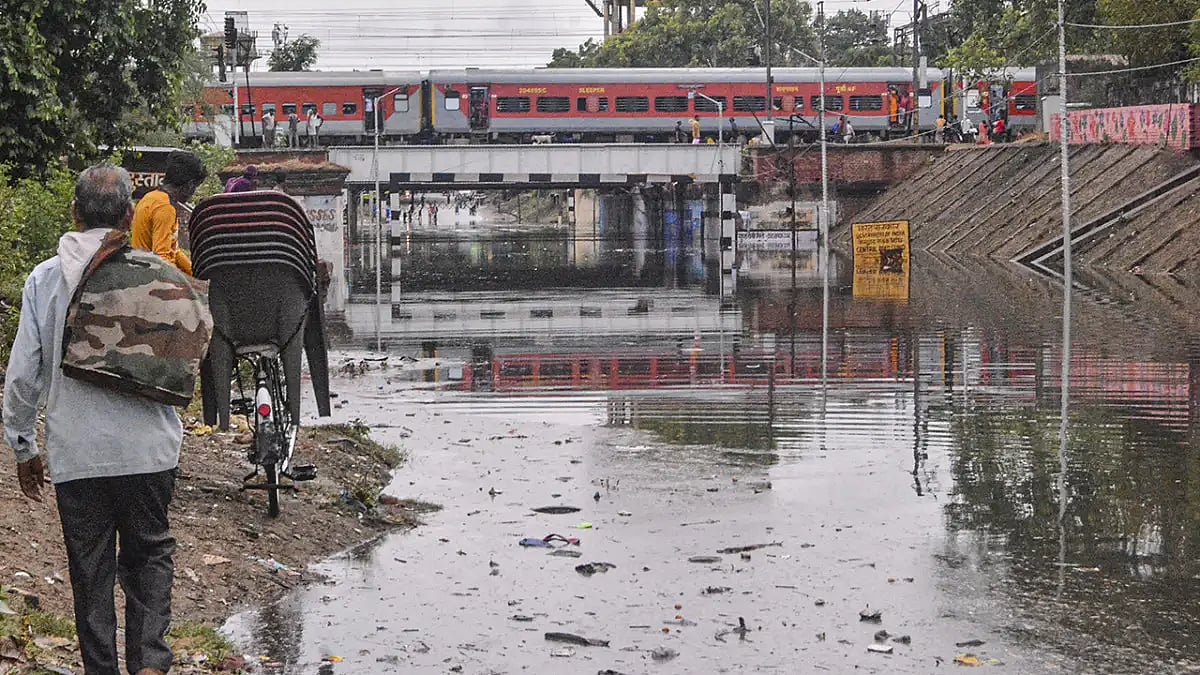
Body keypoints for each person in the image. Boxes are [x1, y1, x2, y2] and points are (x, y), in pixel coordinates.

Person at [5, 164, 184, 675]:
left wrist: (24, 446)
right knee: (149, 557)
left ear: (74, 212)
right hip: (150, 451)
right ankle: (150, 663)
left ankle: (100, 669)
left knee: (91, 571)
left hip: (77, 454)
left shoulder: (45, 279)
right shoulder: (158, 274)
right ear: (130, 215)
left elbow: (22, 375)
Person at [131, 150, 206, 275]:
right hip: (151, 280)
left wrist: (196, 275)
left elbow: (174, 250)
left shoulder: (151, 197)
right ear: (189, 185)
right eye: (196, 187)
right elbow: (162, 258)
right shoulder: (165, 208)